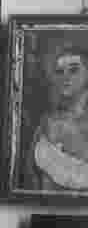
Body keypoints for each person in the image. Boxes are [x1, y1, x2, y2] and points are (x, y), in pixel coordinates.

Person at [24, 46, 88, 191]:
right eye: (60, 72)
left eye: (73, 70)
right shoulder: (47, 122)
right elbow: (32, 180)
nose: (65, 77)